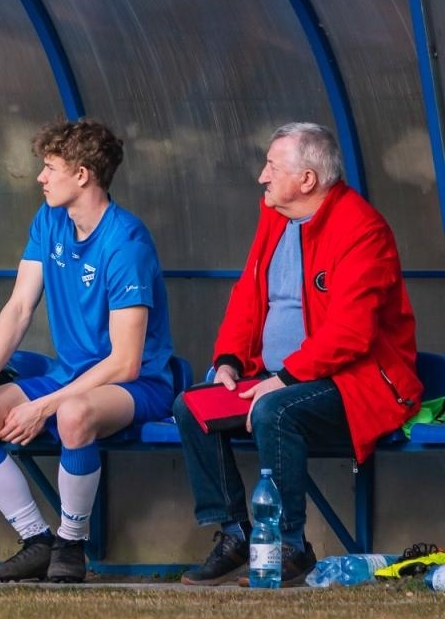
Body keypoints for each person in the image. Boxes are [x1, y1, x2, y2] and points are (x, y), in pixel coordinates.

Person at [177, 123, 420, 587]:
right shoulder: (274, 216)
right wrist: (228, 359)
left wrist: (284, 379)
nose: (262, 178)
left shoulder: (362, 229)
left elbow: (351, 333)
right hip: (278, 378)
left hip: (357, 384)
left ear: (307, 180)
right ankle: (233, 535)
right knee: (191, 405)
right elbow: (248, 296)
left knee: (275, 410)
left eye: (272, 166)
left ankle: (290, 547)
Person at [0, 119, 175, 584]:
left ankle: (71, 544)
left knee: (71, 413)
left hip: (138, 383)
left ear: (84, 175)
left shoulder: (126, 242)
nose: (40, 178)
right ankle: (37, 541)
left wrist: (43, 405)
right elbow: (18, 307)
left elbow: (125, 361)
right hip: (70, 374)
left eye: (50, 168)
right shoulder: (49, 219)